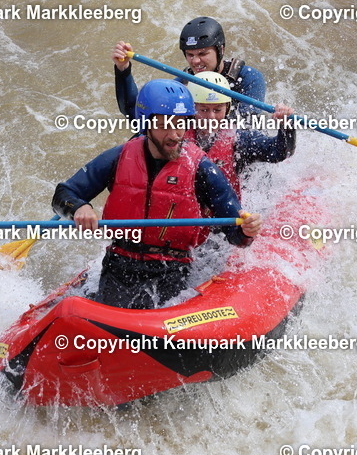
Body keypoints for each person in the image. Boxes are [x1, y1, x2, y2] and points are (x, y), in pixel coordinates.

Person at [52, 79, 262, 310]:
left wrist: (246, 230)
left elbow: (235, 230)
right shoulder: (119, 156)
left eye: (180, 124)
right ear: (146, 124)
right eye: (164, 126)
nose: (174, 134)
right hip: (119, 264)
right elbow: (65, 193)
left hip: (171, 270)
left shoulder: (202, 168)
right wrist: (79, 207)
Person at [113, 16, 266, 119]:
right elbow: (135, 115)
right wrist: (123, 69)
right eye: (190, 55)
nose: (196, 61)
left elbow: (247, 122)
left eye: (203, 53)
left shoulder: (248, 78)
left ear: (221, 50)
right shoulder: (182, 85)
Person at [186, 70, 297, 198]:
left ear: (227, 108)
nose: (211, 117)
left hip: (225, 207)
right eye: (204, 110)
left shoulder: (239, 138)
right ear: (191, 108)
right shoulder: (177, 134)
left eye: (217, 110)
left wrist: (286, 126)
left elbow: (280, 152)